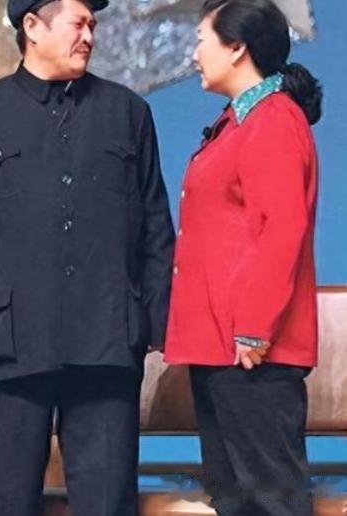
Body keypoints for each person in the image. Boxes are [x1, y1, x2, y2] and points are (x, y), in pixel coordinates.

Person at [0, 0, 175, 513]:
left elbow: (155, 228)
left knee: (108, 501)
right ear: (32, 27)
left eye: (93, 26)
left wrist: (159, 321)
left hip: (107, 339)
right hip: (11, 340)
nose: (90, 36)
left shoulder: (128, 113)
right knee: (7, 500)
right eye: (79, 23)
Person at [163, 1, 323, 514]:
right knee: (235, 498)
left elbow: (281, 229)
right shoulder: (239, 120)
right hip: (226, 349)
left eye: (201, 39)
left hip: (253, 351)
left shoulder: (272, 119)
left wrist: (254, 327)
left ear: (236, 48)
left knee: (269, 498)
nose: (194, 54)